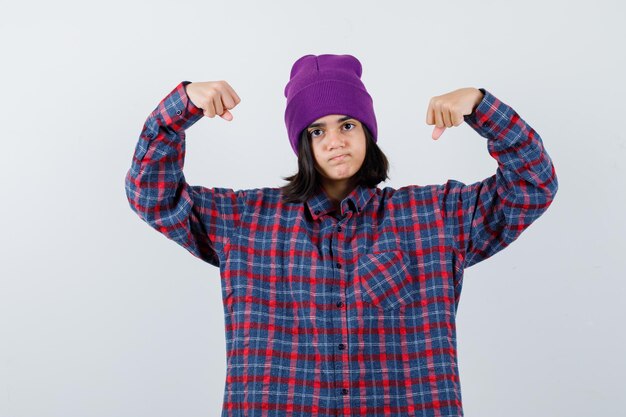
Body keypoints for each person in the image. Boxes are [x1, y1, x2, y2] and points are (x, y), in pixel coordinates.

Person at [125, 54, 558, 417]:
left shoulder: (434, 216)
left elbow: (532, 185)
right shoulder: (245, 221)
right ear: (303, 143)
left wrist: (481, 107)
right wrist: (179, 108)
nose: (335, 141)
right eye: (318, 130)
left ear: (367, 131)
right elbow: (152, 196)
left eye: (347, 125)